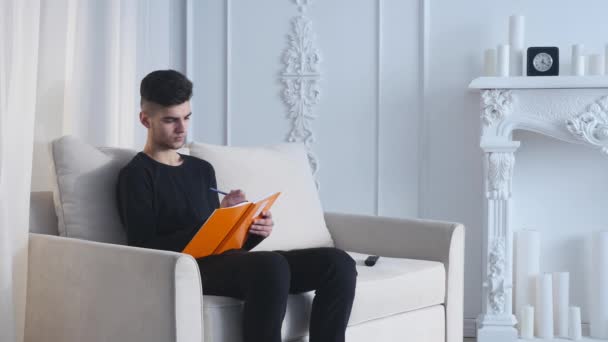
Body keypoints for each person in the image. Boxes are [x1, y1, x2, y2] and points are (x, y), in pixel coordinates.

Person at [116, 69, 357, 342]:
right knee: (270, 265)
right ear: (145, 119)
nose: (182, 129)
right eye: (171, 120)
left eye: (187, 117)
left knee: (338, 263)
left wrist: (249, 228)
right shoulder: (136, 175)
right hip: (187, 269)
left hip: (222, 263)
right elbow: (142, 247)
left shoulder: (201, 169)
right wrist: (209, 225)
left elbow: (222, 245)